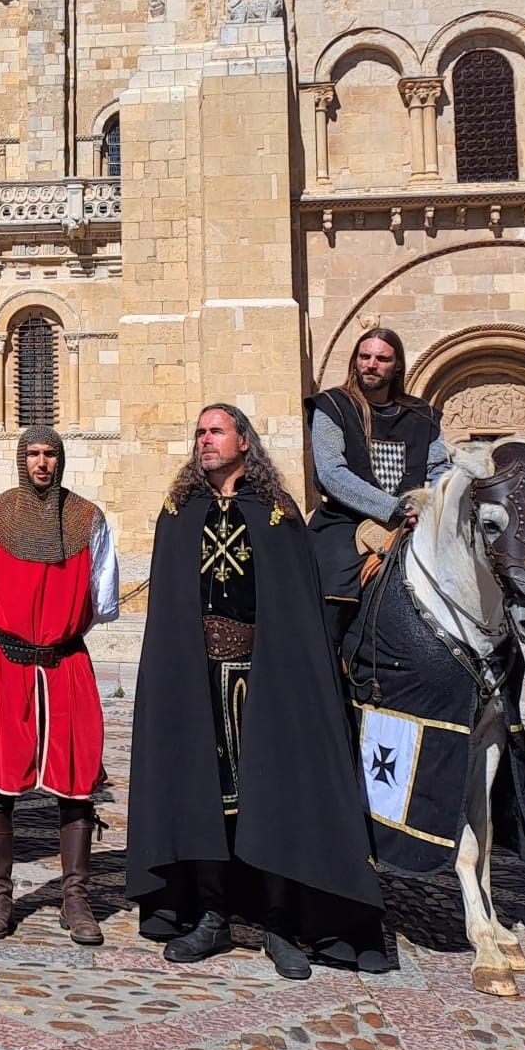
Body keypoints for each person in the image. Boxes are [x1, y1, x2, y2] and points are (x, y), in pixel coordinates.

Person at [125, 405, 387, 979]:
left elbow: (294, 605)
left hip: (264, 674)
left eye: (216, 431)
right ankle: (212, 913)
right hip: (195, 676)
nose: (205, 441)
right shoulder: (180, 512)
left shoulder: (275, 514)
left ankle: (278, 923)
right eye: (199, 432)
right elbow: (170, 609)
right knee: (205, 795)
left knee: (272, 795)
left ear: (245, 441)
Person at [0, 425, 119, 945]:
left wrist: (57, 634)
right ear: (20, 459)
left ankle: (75, 897)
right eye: (33, 454)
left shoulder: (88, 519)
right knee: (0, 782)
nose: (42, 463)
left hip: (66, 663)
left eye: (51, 454)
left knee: (76, 782)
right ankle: (0, 897)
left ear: (62, 458)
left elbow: (103, 598)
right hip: (6, 662)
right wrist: (14, 638)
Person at [306, 328, 449, 649]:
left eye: (382, 358)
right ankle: (326, 663)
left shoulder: (422, 415)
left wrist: (432, 507)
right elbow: (331, 473)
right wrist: (394, 508)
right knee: (332, 585)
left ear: (397, 365)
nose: (371, 364)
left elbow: (441, 469)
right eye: (365, 356)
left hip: (413, 520)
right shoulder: (331, 405)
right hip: (344, 520)